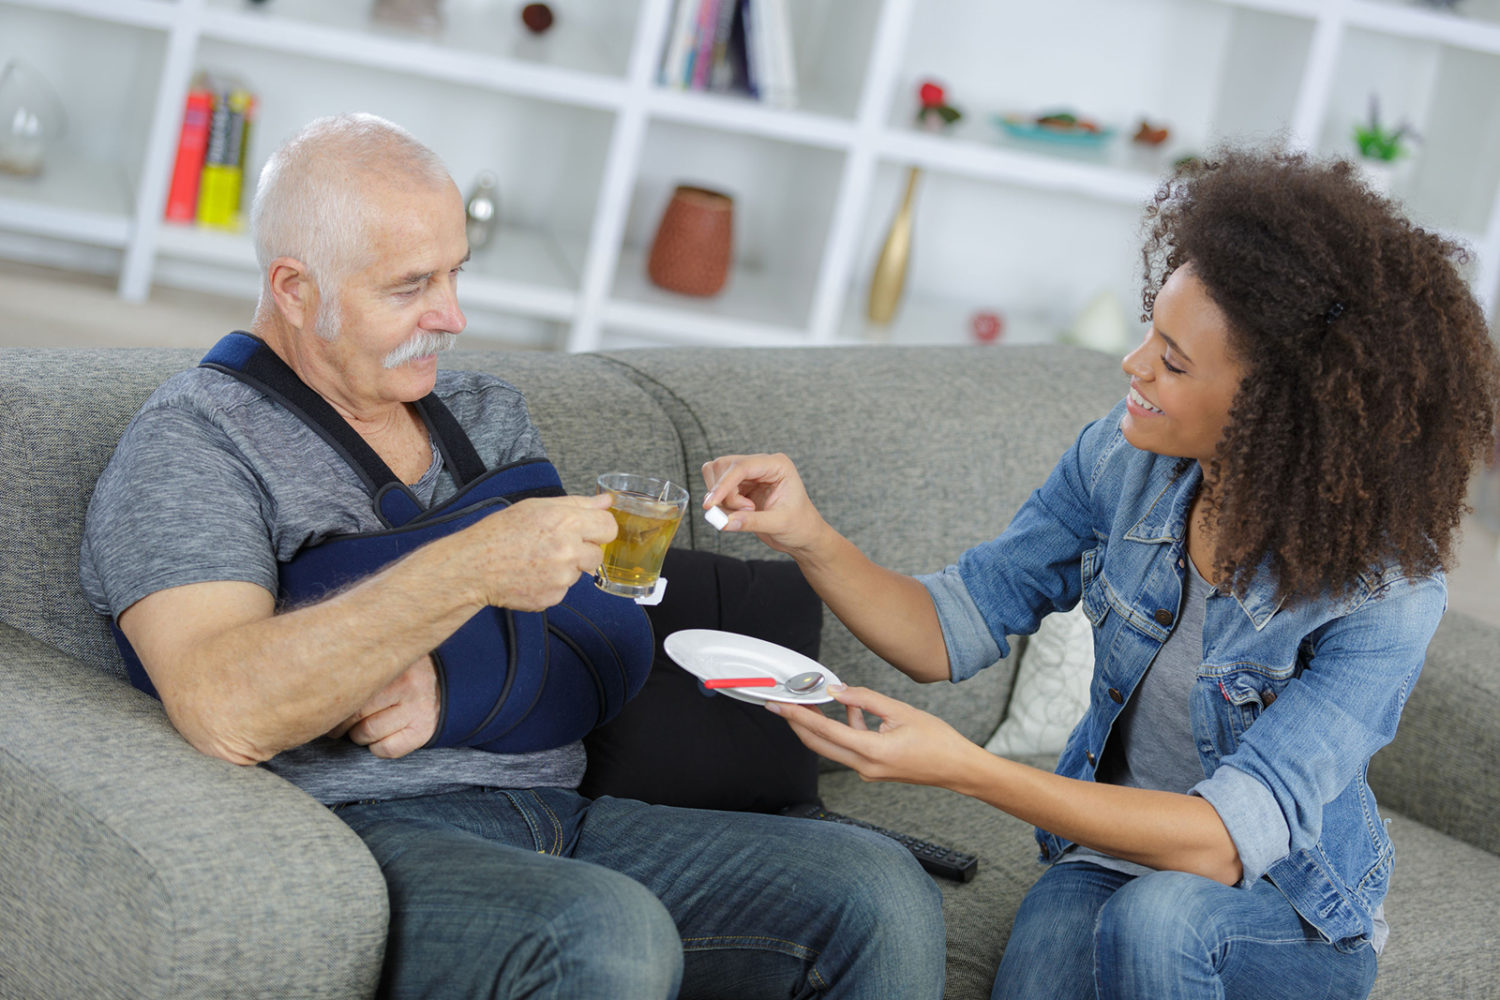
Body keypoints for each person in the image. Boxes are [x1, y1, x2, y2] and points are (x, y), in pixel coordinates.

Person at [79, 112, 945, 1000]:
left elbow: (605, 643)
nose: (451, 315)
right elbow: (226, 706)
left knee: (874, 888)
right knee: (602, 929)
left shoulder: (484, 415)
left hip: (566, 817)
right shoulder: (195, 445)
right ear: (296, 291)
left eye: (455, 272)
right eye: (410, 286)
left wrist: (445, 686)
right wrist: (471, 567)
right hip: (369, 834)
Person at [700, 147, 1500, 1000]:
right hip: (1108, 862)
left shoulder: (1386, 594)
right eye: (1150, 330)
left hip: (1286, 907)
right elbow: (948, 626)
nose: (1134, 365)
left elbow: (1225, 840)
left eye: (1174, 360)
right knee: (1088, 945)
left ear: (1279, 414)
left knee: (1160, 919)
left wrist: (963, 766)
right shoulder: (1117, 464)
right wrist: (809, 534)